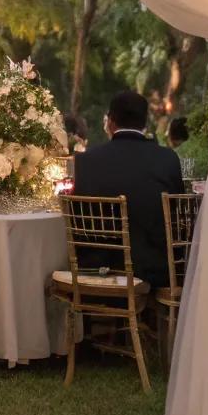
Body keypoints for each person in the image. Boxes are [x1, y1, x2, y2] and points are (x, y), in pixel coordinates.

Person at [72, 89, 183, 288]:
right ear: (145, 123)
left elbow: (78, 218)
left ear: (111, 122)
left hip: (95, 269)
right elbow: (176, 214)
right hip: (152, 271)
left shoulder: (85, 161)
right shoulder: (167, 159)